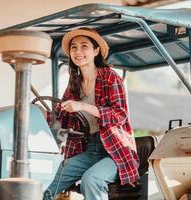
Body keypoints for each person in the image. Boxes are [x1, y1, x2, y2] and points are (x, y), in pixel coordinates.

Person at [43, 28, 140, 200]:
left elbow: (119, 115)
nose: (78, 52)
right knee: (48, 180)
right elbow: (59, 118)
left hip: (115, 151)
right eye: (74, 47)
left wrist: (82, 106)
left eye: (84, 46)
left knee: (91, 180)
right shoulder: (74, 84)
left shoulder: (110, 77)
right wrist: (39, 114)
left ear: (96, 51)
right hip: (88, 149)